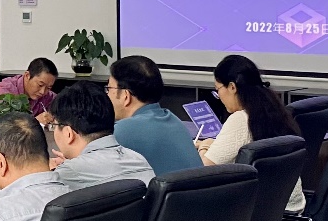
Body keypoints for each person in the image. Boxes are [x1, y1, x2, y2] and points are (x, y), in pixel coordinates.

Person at [198, 54, 305, 212]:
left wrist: (204, 147)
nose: (218, 97)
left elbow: (203, 170)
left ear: (232, 87)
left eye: (218, 90)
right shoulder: (272, 110)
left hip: (260, 214)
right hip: (288, 210)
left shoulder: (241, 119)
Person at [108, 55, 202, 176]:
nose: (107, 95)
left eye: (109, 89)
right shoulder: (175, 121)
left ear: (125, 96)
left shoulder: (122, 131)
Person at [48, 82, 154, 190]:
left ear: (68, 133)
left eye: (54, 125)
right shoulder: (138, 159)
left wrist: (47, 172)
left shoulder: (69, 172)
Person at [0, 58, 59, 123]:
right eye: (40, 85)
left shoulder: (47, 95)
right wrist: (33, 122)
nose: (42, 91)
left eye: (48, 88)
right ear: (27, 75)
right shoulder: (6, 89)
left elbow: (62, 106)